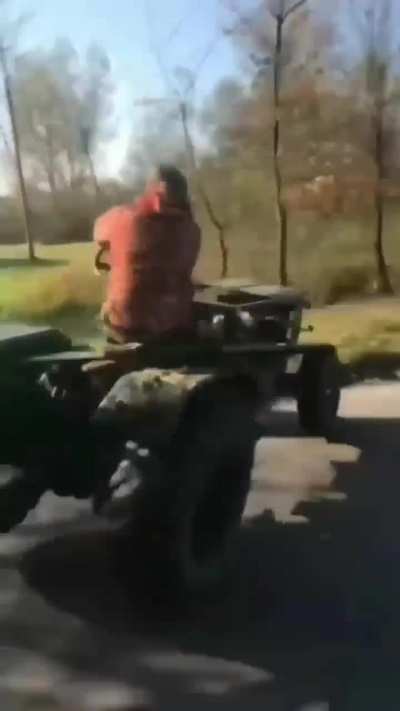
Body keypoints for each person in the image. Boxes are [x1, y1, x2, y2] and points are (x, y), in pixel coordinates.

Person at [94, 165, 201, 344]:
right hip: (174, 323)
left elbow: (98, 230)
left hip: (127, 326)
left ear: (151, 191)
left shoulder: (127, 219)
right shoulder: (193, 231)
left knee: (109, 314)